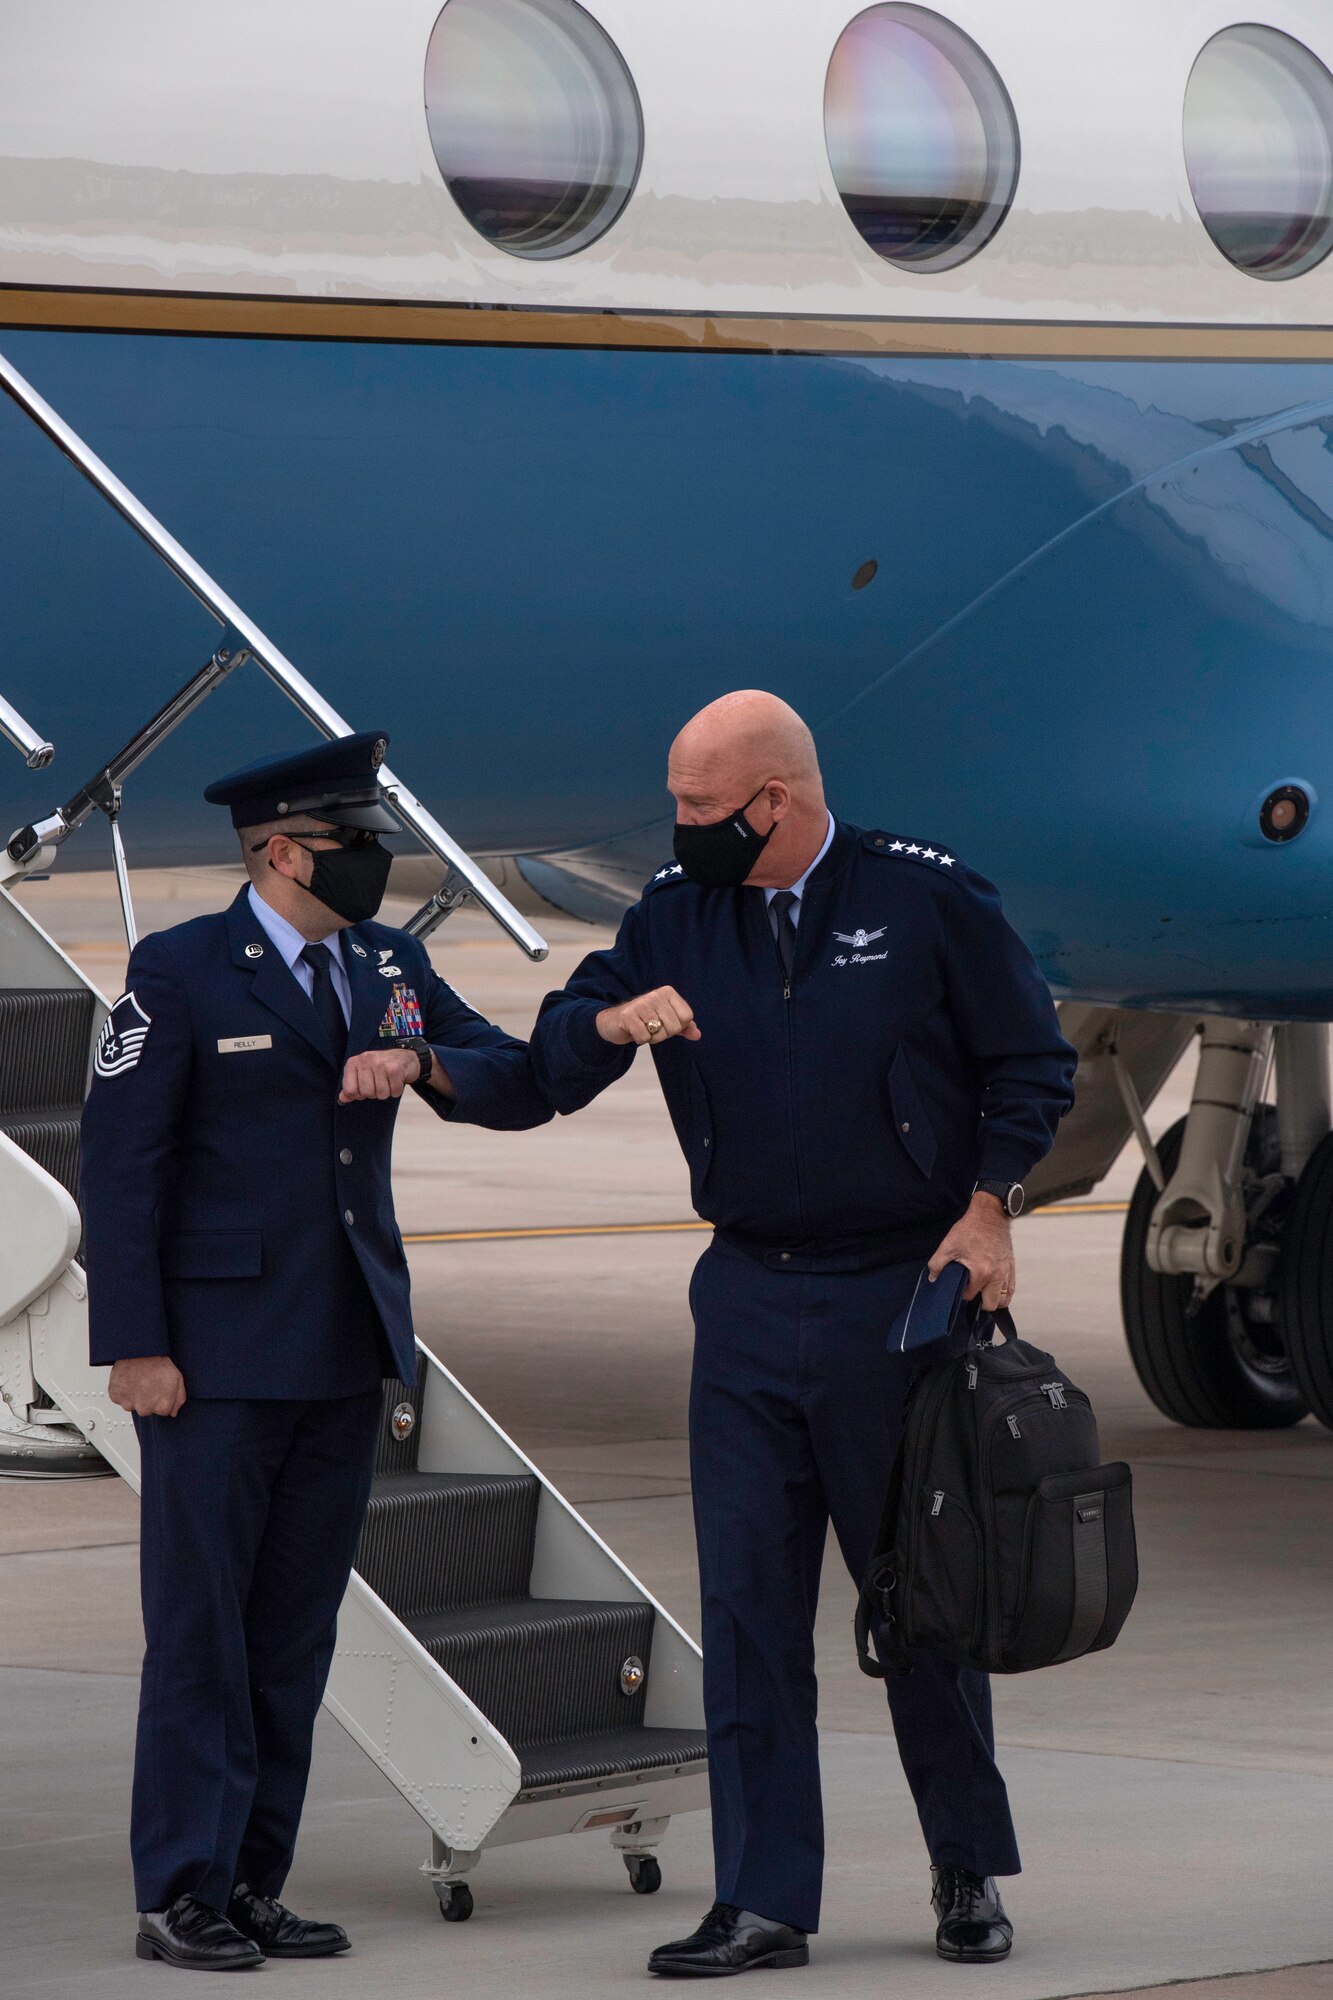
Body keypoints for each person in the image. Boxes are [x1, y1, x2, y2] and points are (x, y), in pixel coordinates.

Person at [530, 691, 1076, 1978]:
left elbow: (1031, 1065)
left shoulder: (926, 899)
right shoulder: (675, 911)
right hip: (746, 1302)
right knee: (750, 1613)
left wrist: (990, 1207)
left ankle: (965, 1870)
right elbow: (559, 1046)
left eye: (702, 807)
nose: (681, 827)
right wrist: (606, 1021)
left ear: (775, 801)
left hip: (899, 1297)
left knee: (924, 1601)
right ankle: (764, 1897)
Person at [81, 731, 553, 1972]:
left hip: (342, 1349)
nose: (376, 863)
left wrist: (427, 1058)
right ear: (282, 851)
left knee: (293, 1633)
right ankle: (179, 1887)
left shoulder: (387, 965)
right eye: (354, 844)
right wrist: (133, 1343)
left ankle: (249, 1882)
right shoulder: (181, 968)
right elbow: (122, 1167)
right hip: (214, 1359)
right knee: (203, 1632)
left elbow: (509, 1077)